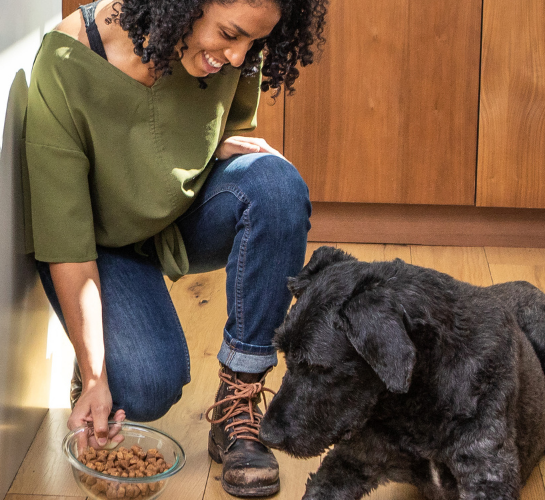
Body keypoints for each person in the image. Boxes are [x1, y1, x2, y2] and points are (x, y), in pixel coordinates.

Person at [22, 0, 326, 495]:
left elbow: (220, 125)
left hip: (180, 218)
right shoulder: (67, 63)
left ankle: (239, 402)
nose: (237, 57)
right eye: (230, 34)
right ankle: (94, 368)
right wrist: (97, 373)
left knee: (276, 185)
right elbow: (66, 244)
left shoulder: (235, 49)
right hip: (101, 249)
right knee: (144, 391)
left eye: (254, 42)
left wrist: (219, 146)